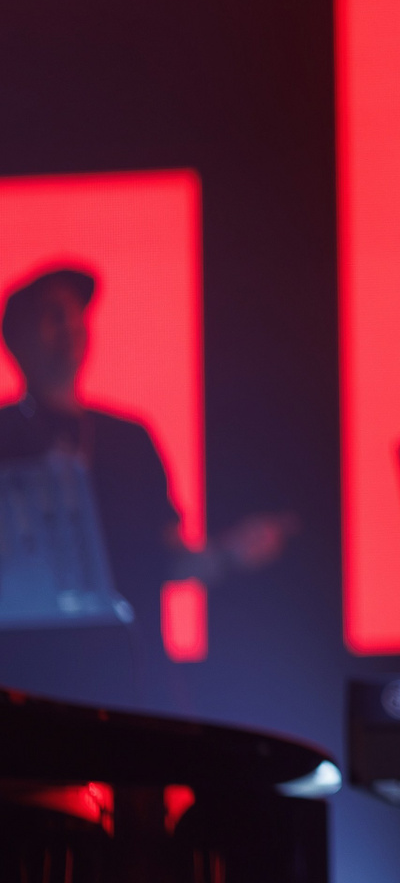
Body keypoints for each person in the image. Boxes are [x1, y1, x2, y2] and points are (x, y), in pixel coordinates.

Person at [0, 266, 293, 710]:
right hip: (24, 685)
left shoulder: (128, 440)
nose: (71, 326)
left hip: (129, 681)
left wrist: (229, 553)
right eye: (52, 314)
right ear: (16, 339)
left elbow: (168, 558)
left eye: (77, 315)